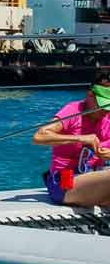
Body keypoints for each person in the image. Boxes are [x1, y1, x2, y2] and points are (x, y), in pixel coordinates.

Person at [33, 71, 110, 206]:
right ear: (90, 95)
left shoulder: (107, 116)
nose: (106, 111)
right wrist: (80, 138)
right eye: (103, 105)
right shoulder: (73, 110)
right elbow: (39, 136)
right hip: (64, 182)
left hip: (96, 179)